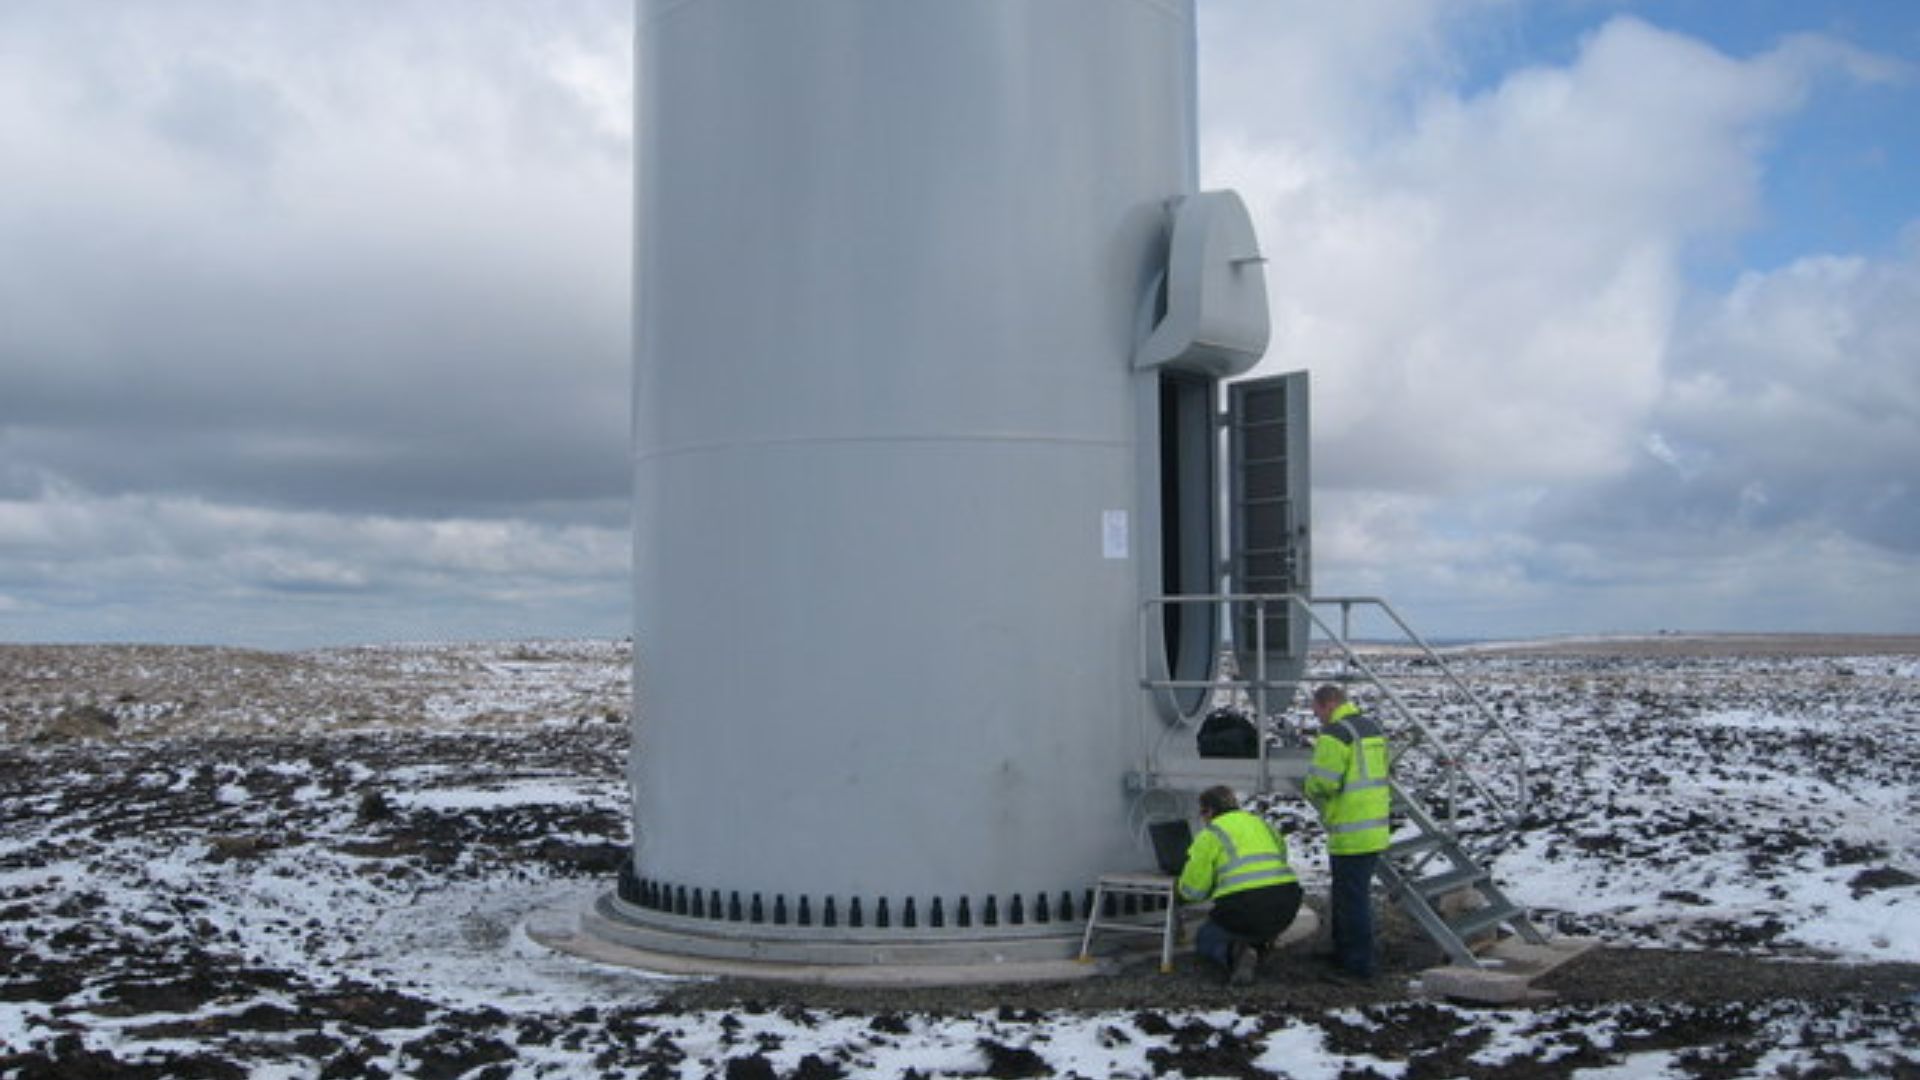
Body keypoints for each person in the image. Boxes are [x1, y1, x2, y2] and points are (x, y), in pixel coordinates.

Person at [1303, 684, 1391, 982]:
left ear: (1327, 704)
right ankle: (1342, 952)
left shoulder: (1335, 734)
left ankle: (1358, 966)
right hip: (1373, 827)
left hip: (1351, 832)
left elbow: (1323, 782)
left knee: (1353, 900)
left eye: (1316, 709)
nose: (1316, 716)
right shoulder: (1370, 728)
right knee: (1347, 895)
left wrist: (1309, 786)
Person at [1176, 785, 1302, 986]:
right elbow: (1280, 856)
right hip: (1287, 902)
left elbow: (1194, 891)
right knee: (1255, 925)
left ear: (1209, 810)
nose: (1202, 818)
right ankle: (1259, 945)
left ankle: (1234, 954)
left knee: (1206, 936)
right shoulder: (1262, 824)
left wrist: (1179, 887)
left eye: (1202, 812)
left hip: (1244, 906)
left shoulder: (1210, 834)